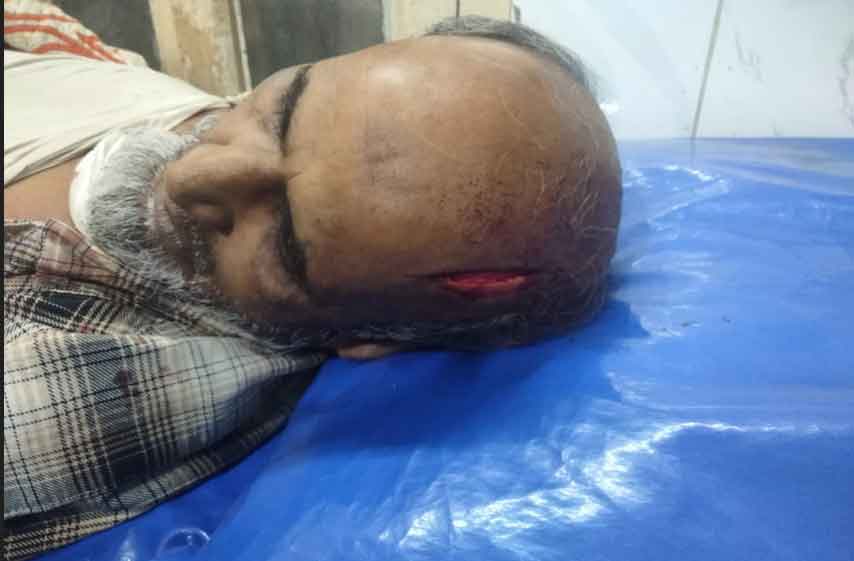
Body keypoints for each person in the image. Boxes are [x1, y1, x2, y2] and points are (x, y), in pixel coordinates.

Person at [3, 14, 621, 559]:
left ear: (367, 338)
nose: (192, 173)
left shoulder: (74, 386)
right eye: (282, 107)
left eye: (283, 245)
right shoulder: (185, 108)